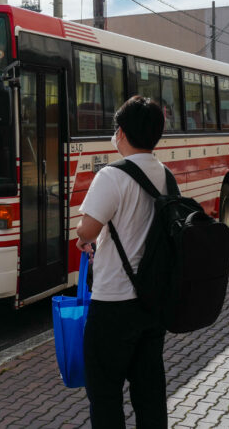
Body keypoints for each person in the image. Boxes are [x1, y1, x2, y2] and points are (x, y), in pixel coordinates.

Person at [76, 95, 169, 429]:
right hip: (152, 301)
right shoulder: (166, 175)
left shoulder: (112, 176)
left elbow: (87, 229)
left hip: (113, 301)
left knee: (105, 395)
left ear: (122, 133)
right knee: (149, 394)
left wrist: (82, 232)